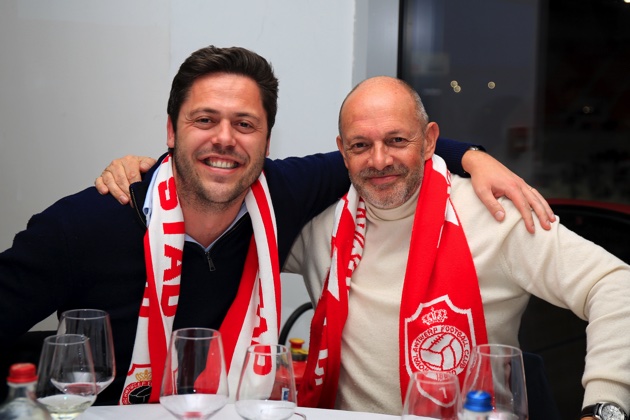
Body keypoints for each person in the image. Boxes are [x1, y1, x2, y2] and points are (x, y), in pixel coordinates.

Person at [0, 45, 550, 407]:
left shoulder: (281, 192)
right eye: (204, 120)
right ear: (170, 131)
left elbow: (383, 153)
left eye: (245, 124)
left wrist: (474, 157)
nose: (225, 139)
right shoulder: (86, 223)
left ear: (267, 140)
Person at [282, 76, 630, 418]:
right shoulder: (321, 229)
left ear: (429, 141)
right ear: (343, 152)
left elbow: (615, 284)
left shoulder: (494, 216)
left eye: (397, 140)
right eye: (360, 146)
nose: (380, 160)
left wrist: (605, 406)